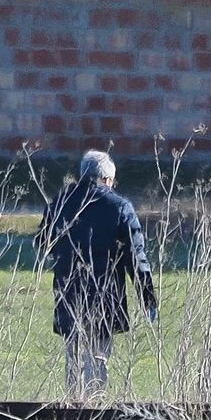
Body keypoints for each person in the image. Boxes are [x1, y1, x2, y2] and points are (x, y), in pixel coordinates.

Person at [35, 150, 157, 399]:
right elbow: (137, 257)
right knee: (98, 360)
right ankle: (93, 415)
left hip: (68, 293)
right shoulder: (120, 207)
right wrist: (148, 298)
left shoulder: (60, 203)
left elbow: (42, 243)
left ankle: (72, 412)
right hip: (105, 296)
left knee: (74, 360)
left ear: (83, 175)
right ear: (108, 179)